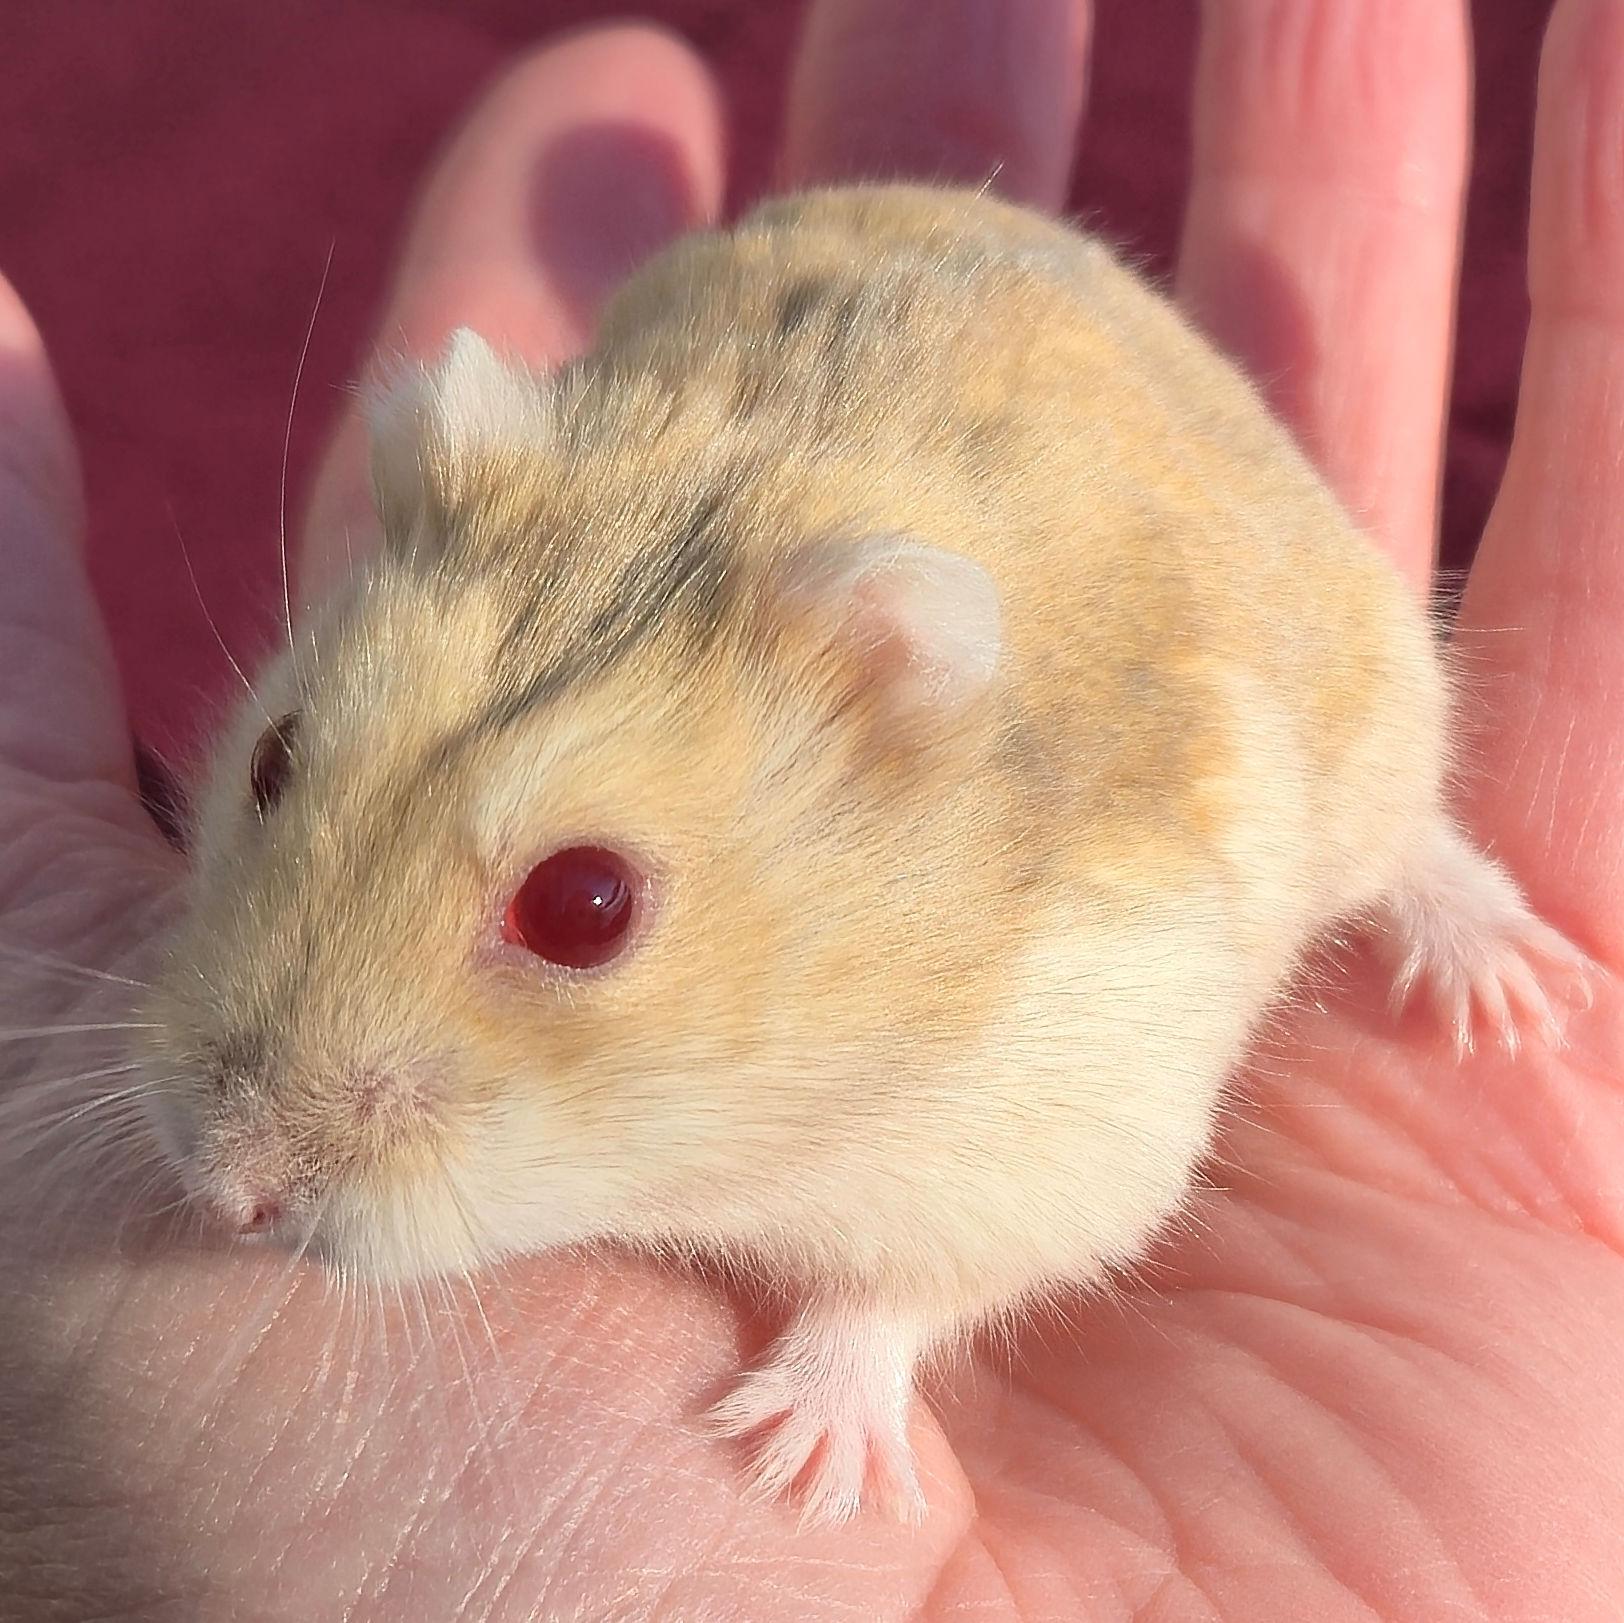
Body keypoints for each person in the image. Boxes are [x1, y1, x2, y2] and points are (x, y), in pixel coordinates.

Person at [1, 2, 1619, 1615]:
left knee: (1368, 741)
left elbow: (1087, 1171)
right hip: (774, 319)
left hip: (1102, 470)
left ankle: (1420, 852)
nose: (240, 1164)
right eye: (282, 775)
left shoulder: (1015, 920)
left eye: (577, 910)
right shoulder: (474, 539)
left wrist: (882, 1318)